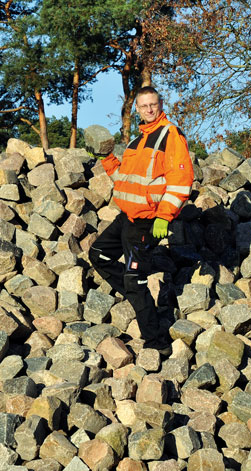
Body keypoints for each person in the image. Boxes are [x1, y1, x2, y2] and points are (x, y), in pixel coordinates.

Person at [89, 86, 194, 355]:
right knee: (98, 254)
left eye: (153, 105)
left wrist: (165, 216)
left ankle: (156, 343)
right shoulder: (137, 141)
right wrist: (107, 160)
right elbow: (125, 180)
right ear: (137, 108)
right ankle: (137, 297)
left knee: (134, 279)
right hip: (127, 219)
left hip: (149, 222)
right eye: (144, 106)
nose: (149, 109)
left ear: (160, 105)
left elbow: (181, 181)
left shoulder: (170, 136)